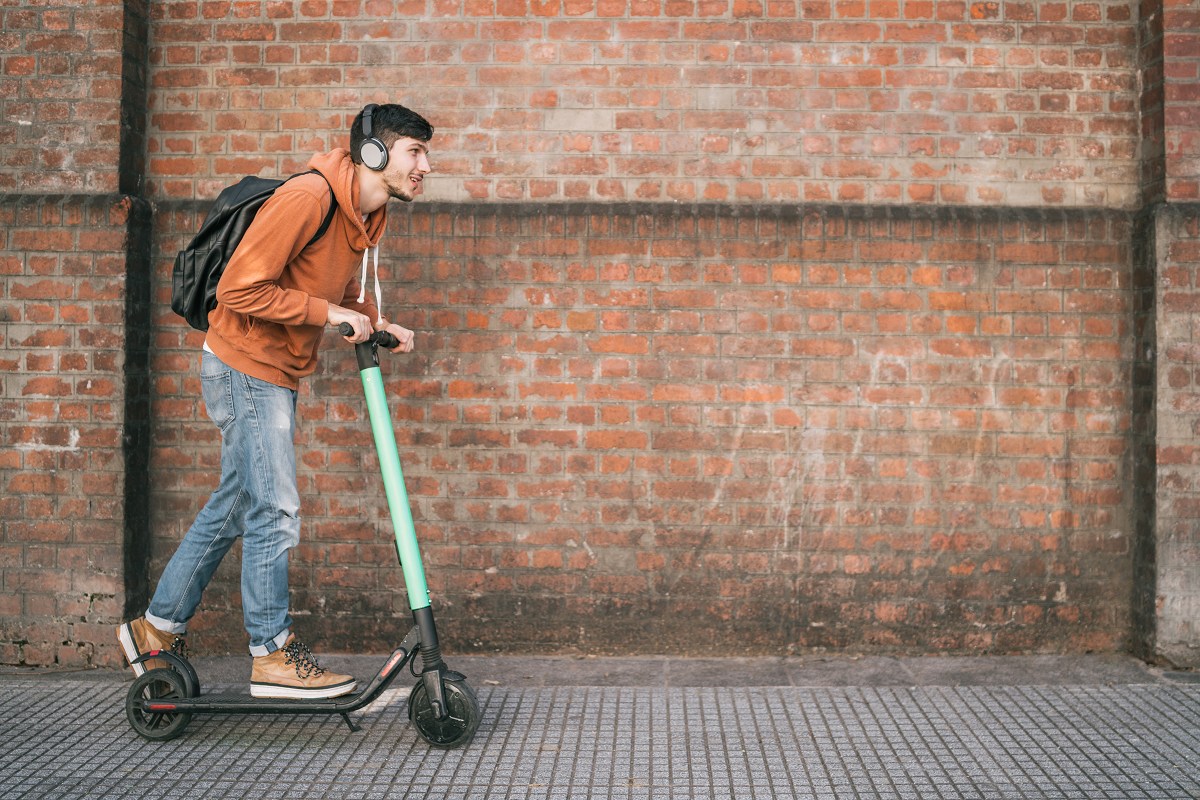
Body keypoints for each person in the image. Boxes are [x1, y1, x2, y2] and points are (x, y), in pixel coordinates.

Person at [118, 104, 433, 698]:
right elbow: (240, 287)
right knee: (275, 509)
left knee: (237, 504)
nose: (425, 166)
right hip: (244, 366)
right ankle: (271, 652)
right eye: (415, 152)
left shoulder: (367, 215)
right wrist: (328, 313)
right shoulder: (309, 199)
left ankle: (154, 627)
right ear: (375, 153)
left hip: (274, 372)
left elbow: (327, 291)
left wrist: (375, 321)